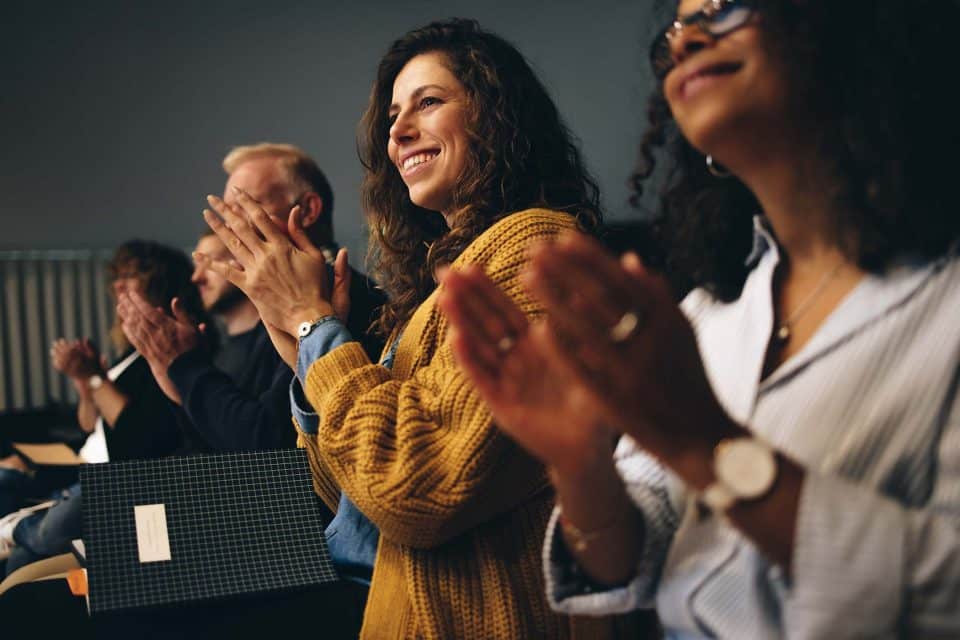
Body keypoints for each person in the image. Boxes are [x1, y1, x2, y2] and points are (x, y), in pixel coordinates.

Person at [439, 0, 960, 637]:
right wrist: (578, 465)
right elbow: (623, 557)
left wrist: (707, 446)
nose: (686, 41)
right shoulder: (708, 313)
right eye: (677, 28)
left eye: (727, 7)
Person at [195, 18, 642, 639]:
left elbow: (416, 493)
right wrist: (301, 346)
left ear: (497, 115)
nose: (398, 132)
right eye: (391, 118)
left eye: (428, 103)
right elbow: (348, 497)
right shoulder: (441, 281)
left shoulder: (532, 246)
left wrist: (315, 323)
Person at [0, 240, 200, 573]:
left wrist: (94, 378)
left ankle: (17, 528)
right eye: (116, 278)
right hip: (81, 463)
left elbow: (137, 434)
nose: (117, 286)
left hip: (102, 478)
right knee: (9, 469)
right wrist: (84, 383)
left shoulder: (165, 351)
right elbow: (88, 424)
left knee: (10, 484)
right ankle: (19, 526)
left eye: (131, 275)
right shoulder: (129, 355)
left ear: (162, 282)